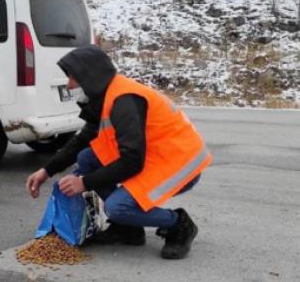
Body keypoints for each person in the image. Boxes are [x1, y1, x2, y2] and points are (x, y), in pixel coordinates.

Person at [25, 45, 212, 259]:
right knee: (87, 158)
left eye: (73, 79)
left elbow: (132, 161)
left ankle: (178, 223)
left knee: (117, 207)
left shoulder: (124, 101)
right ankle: (129, 230)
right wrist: (46, 171)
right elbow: (82, 140)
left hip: (178, 165)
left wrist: (84, 182)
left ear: (89, 77)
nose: (69, 85)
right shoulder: (104, 96)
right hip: (152, 156)